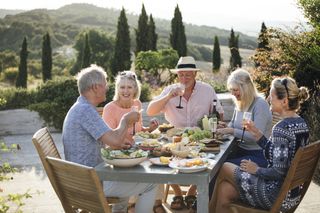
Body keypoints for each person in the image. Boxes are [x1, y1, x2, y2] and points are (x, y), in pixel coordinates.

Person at [62, 65, 157, 213]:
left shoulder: (82, 107)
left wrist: (119, 139)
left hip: (85, 178)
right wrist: (125, 120)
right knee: (151, 183)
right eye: (105, 84)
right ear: (95, 87)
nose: (107, 88)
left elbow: (110, 138)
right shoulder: (85, 110)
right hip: (90, 184)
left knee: (130, 176)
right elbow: (115, 141)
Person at [211, 76, 310, 213]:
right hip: (291, 195)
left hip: (273, 194)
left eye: (272, 96)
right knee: (224, 190)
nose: (269, 100)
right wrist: (256, 133)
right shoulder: (301, 123)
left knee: (224, 167)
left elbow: (277, 172)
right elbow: (279, 155)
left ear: (284, 101)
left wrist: (256, 169)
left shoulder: (281, 128)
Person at [147, 56, 224, 210]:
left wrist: (212, 122)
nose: (184, 78)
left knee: (211, 157)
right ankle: (177, 192)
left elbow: (219, 114)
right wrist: (169, 96)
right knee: (160, 156)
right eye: (181, 74)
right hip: (173, 139)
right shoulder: (170, 90)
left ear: (195, 74)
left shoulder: (207, 90)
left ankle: (192, 190)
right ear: (177, 75)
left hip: (198, 139)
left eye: (188, 74)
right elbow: (150, 111)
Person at [102, 71, 165, 213]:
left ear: (135, 89)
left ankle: (155, 203)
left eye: (129, 87)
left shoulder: (136, 104)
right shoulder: (110, 109)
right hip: (119, 157)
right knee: (152, 168)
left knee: (158, 162)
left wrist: (150, 129)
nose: (125, 91)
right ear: (117, 89)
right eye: (122, 87)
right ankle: (132, 205)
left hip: (137, 153)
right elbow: (110, 140)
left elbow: (138, 131)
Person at [206, 69, 273, 203]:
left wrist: (231, 131)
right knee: (212, 165)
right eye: (231, 90)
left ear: (246, 87)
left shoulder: (259, 105)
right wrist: (225, 127)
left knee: (218, 169)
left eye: (235, 90)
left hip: (258, 155)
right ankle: (204, 204)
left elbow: (256, 136)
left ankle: (203, 205)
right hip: (241, 151)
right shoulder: (241, 103)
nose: (233, 93)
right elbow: (233, 124)